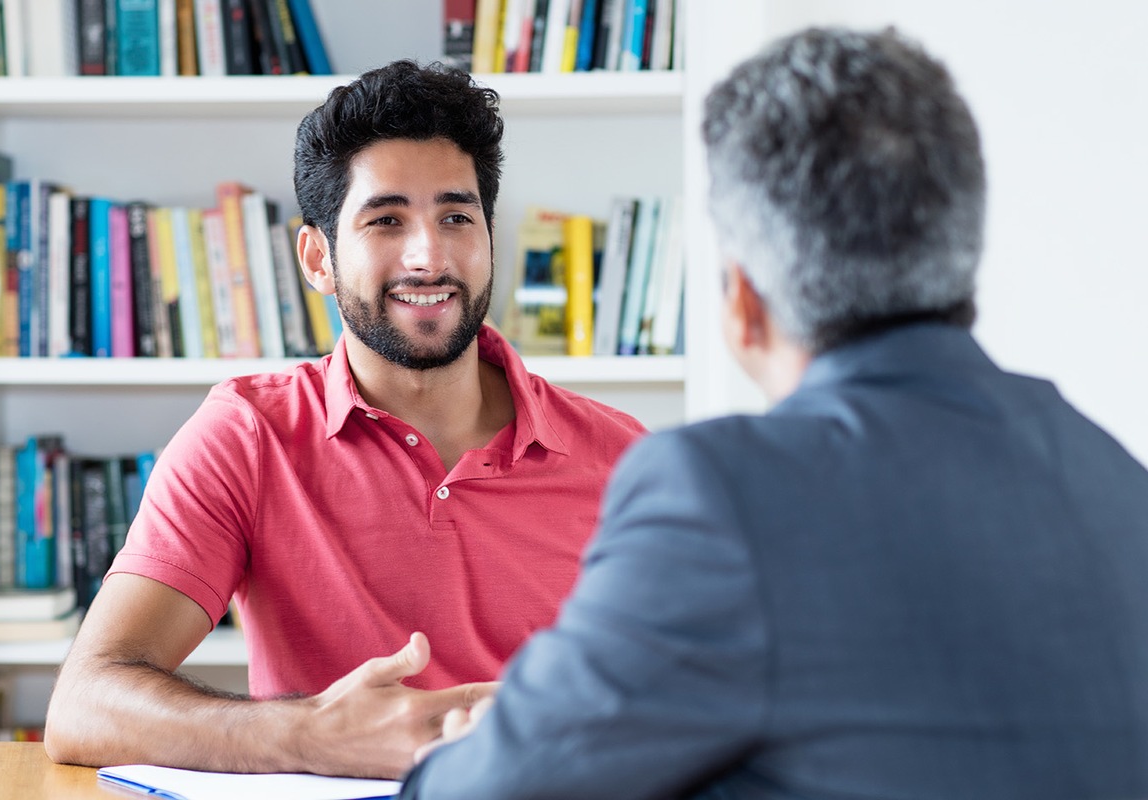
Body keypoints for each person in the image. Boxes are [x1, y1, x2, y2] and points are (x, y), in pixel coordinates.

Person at [398, 27, 1148, 800]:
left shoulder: (721, 494)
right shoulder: (1117, 482)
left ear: (744, 302)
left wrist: (457, 755)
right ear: (961, 263)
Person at [43, 60, 644, 780]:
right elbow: (82, 706)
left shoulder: (626, 458)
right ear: (317, 258)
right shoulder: (246, 435)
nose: (429, 256)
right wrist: (306, 735)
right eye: (386, 221)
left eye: (457, 216)